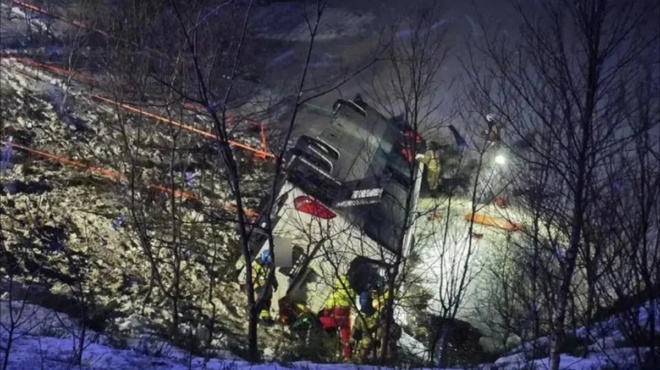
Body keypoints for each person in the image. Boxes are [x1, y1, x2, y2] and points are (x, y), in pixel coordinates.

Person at [318, 274, 355, 359]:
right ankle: (348, 356)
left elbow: (328, 308)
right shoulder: (351, 293)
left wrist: (325, 314)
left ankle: (319, 343)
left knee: (319, 321)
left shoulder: (336, 294)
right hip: (346, 321)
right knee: (346, 338)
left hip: (335, 320)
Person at [252, 250, 275, 324]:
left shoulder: (268, 265)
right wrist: (257, 287)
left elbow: (271, 275)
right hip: (260, 286)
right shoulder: (257, 265)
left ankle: (264, 317)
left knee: (267, 301)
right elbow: (252, 277)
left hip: (267, 286)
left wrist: (275, 283)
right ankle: (254, 314)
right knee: (261, 301)